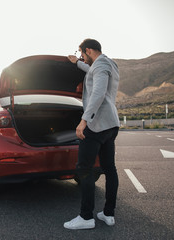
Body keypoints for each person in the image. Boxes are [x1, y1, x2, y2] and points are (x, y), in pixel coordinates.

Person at [64, 38, 120, 230]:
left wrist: (84, 120)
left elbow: (98, 93)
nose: (82, 57)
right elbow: (93, 71)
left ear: (88, 50)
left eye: (81, 54)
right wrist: (77, 63)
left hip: (97, 125)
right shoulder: (108, 63)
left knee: (84, 169)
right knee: (109, 168)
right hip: (111, 125)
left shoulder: (101, 64)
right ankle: (108, 214)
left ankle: (86, 217)